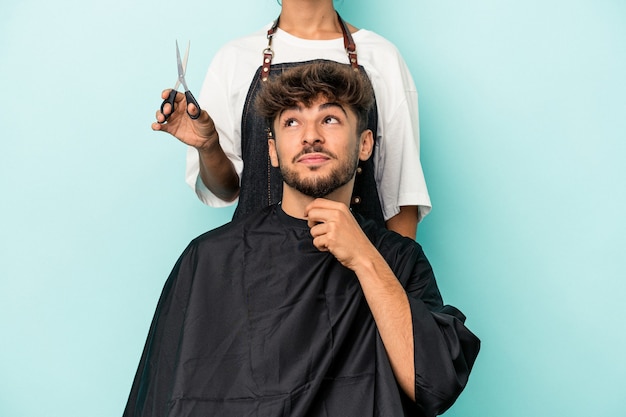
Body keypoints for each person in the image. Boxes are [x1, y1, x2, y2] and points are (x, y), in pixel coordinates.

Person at [132, 61, 479, 417]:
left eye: (329, 119)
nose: (311, 135)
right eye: (292, 122)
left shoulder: (399, 260)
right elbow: (161, 399)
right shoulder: (208, 260)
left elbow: (434, 385)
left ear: (365, 144)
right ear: (272, 150)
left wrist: (363, 257)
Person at [153, 0, 431, 239]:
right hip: (257, 276)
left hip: (358, 283)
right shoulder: (234, 59)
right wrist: (209, 146)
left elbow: (401, 199)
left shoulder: (382, 57)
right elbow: (225, 191)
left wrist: (398, 287)